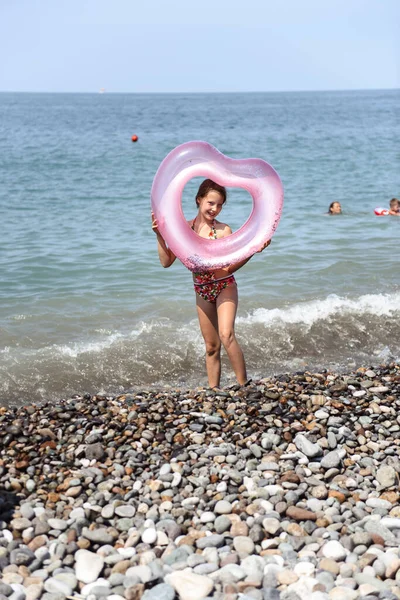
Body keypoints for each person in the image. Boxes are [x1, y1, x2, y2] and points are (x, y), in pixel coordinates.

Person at [152, 178, 271, 389]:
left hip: (225, 285)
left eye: (220, 205)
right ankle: (213, 391)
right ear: (199, 200)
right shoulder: (183, 229)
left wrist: (253, 250)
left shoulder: (224, 231)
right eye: (211, 203)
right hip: (201, 290)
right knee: (211, 346)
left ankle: (244, 385)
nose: (215, 209)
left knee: (227, 335)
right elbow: (166, 262)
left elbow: (230, 267)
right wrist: (160, 235)